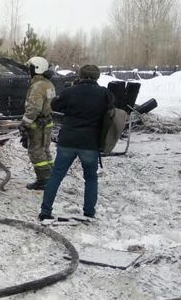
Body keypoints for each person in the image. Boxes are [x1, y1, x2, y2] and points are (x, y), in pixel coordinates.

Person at [39, 65, 114, 220]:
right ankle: (89, 212)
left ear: (80, 75)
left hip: (68, 140)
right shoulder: (105, 94)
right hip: (90, 143)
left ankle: (45, 211)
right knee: (91, 178)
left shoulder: (70, 91)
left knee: (56, 176)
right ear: (97, 77)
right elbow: (111, 114)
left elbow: (55, 106)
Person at [20, 56, 56, 190]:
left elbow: (34, 108)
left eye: (30, 68)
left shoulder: (37, 86)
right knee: (45, 151)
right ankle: (52, 177)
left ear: (36, 69)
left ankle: (44, 180)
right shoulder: (48, 84)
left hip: (38, 125)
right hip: (47, 123)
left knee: (36, 152)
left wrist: (24, 124)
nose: (28, 71)